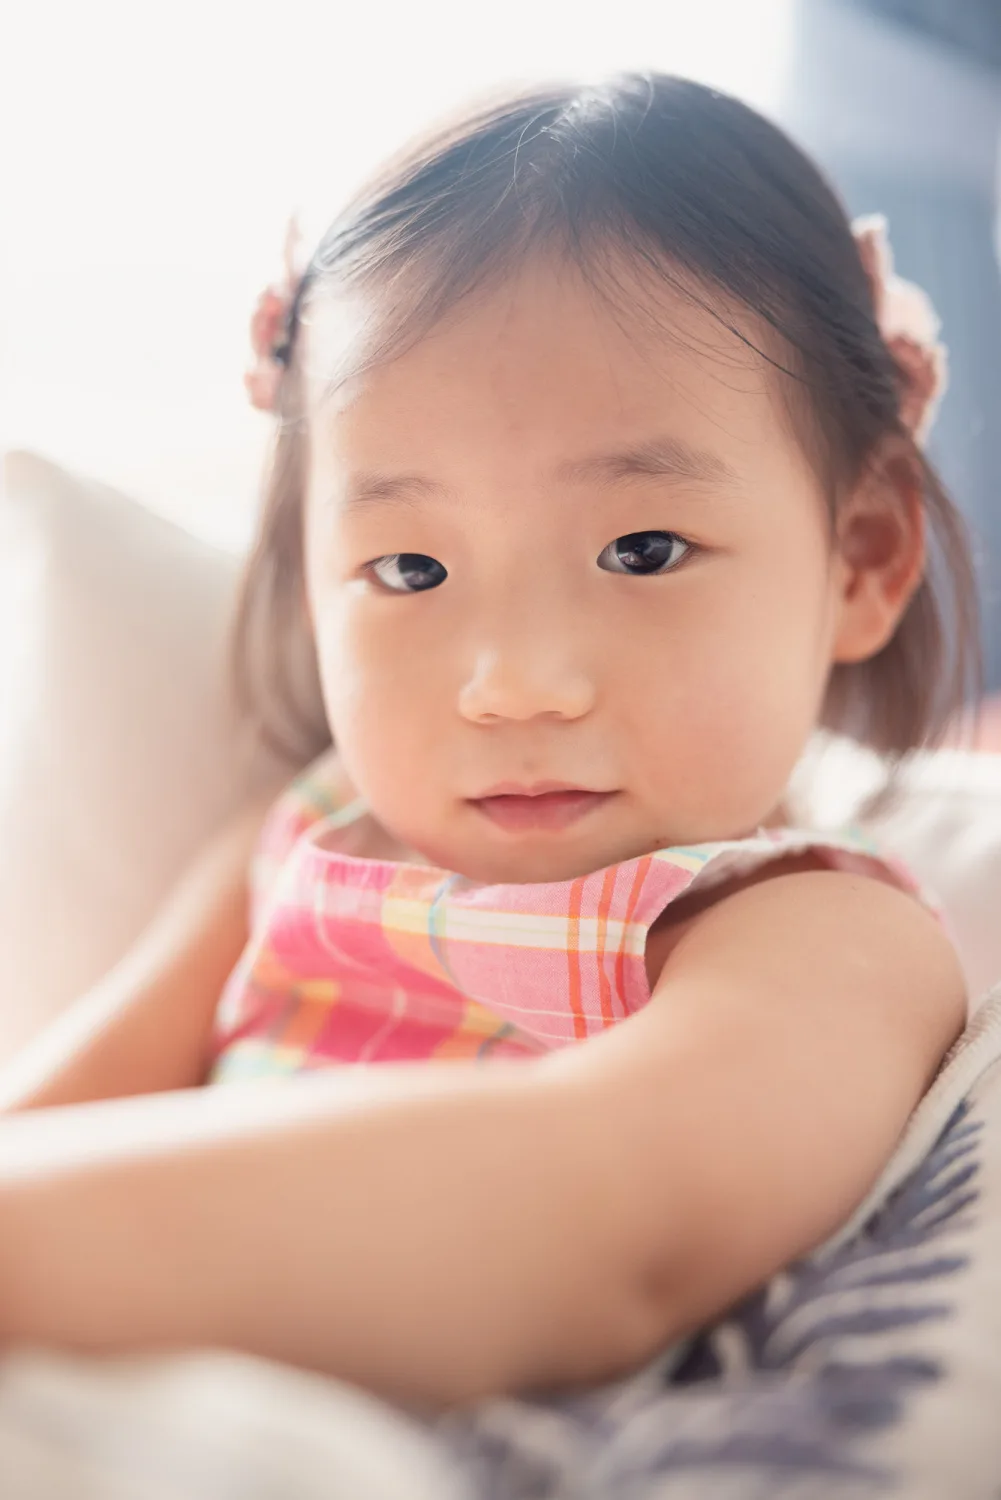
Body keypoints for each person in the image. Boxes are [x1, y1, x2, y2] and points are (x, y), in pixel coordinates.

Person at [0, 74, 977, 1408]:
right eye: (407, 569)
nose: (512, 686)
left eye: (641, 550)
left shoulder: (817, 931)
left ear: (860, 558)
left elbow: (614, 1223)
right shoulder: (298, 841)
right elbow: (64, 1112)